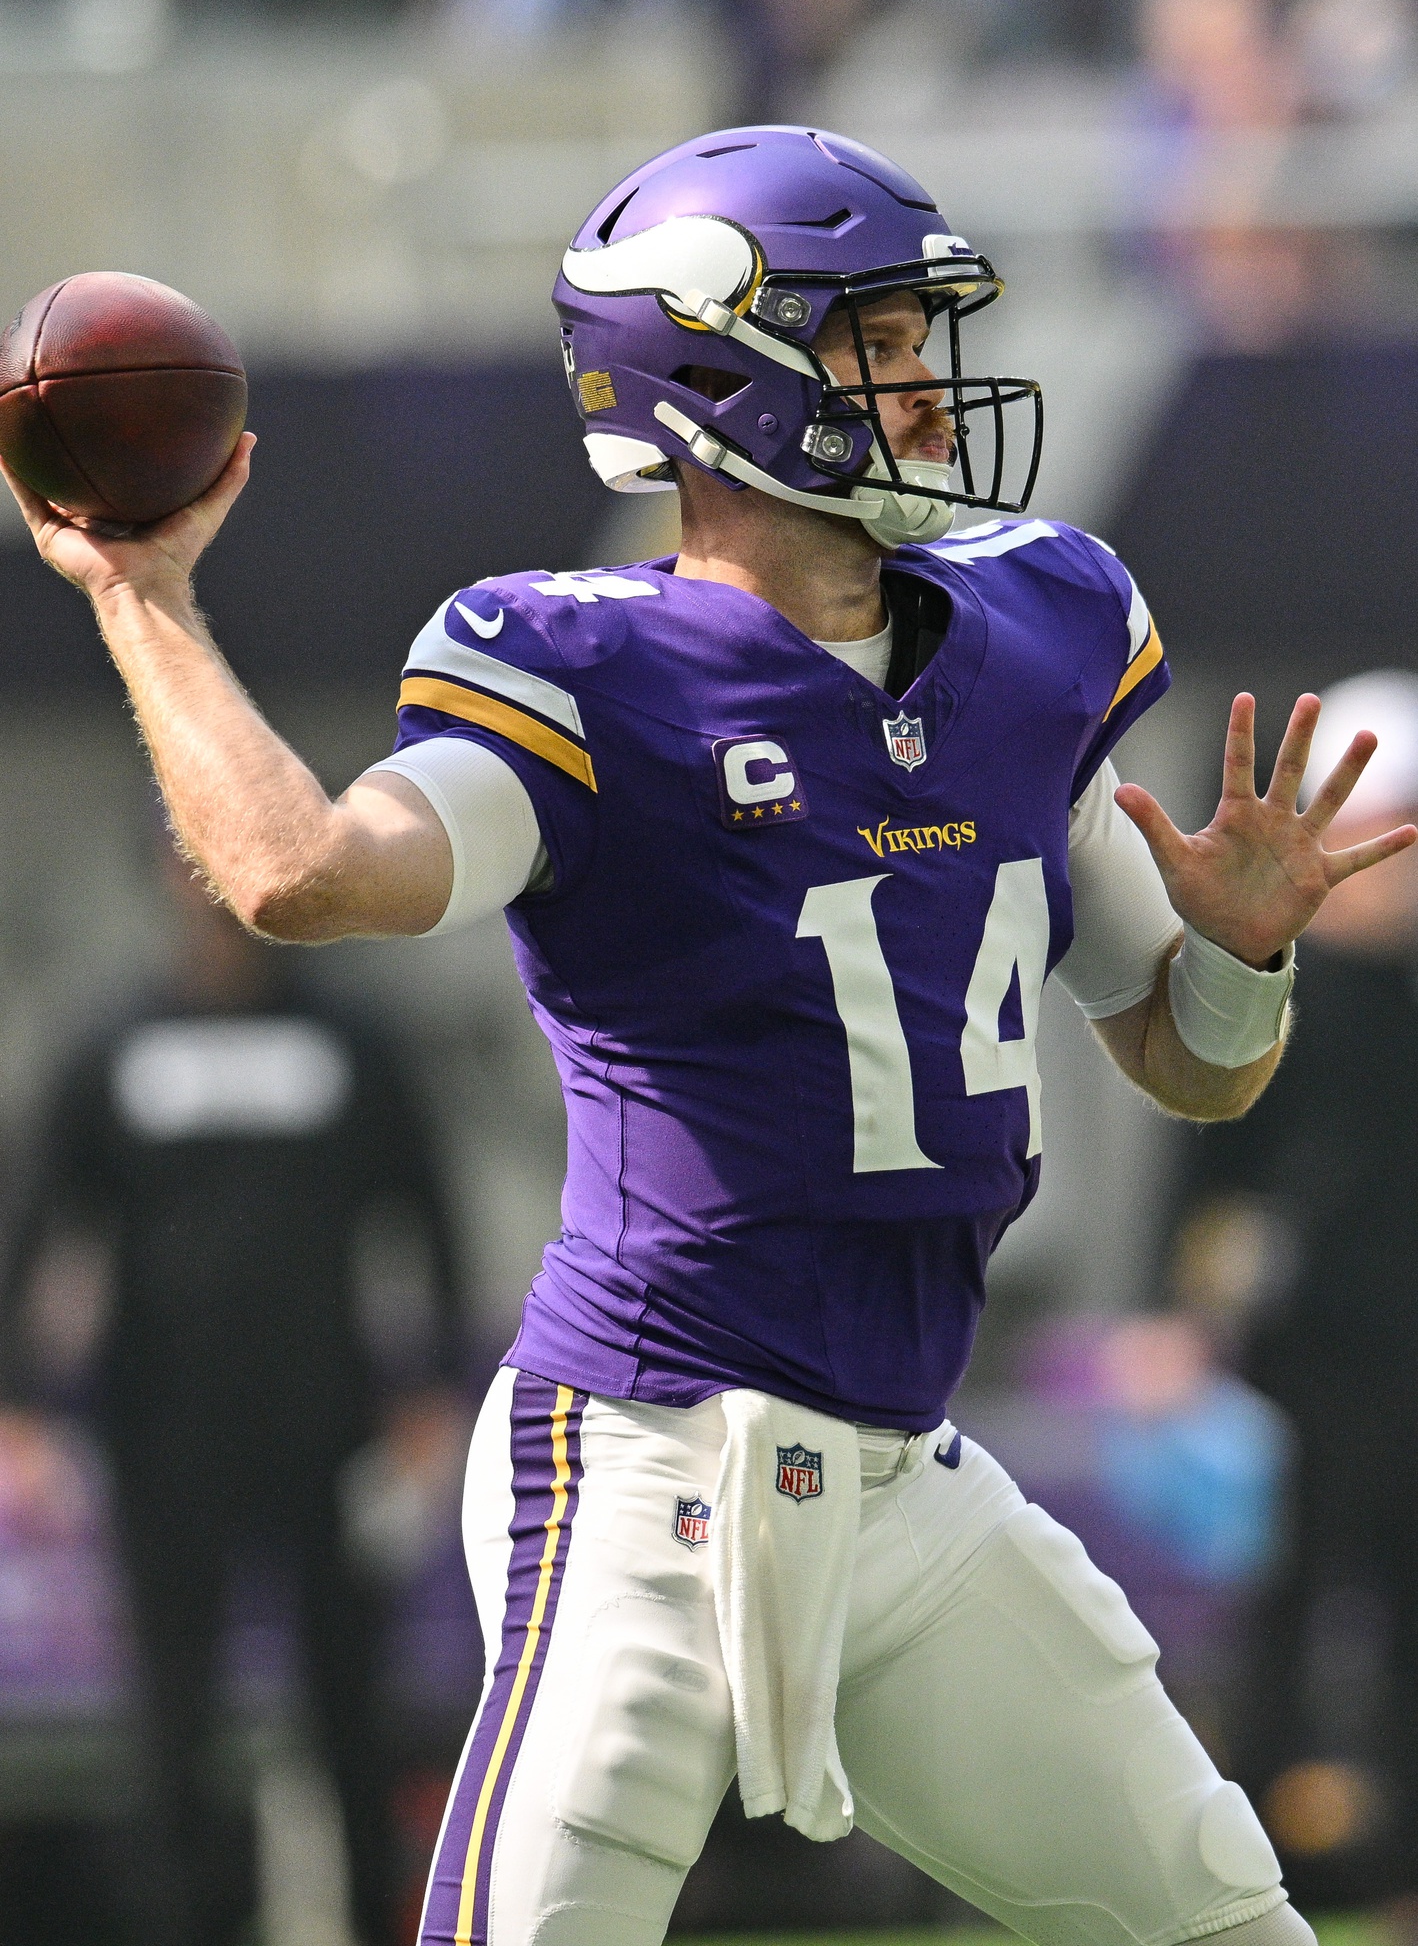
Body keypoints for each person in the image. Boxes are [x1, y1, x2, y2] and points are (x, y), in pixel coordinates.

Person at [9, 124, 1413, 1946]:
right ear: (714, 373)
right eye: (876, 344)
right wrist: (145, 593)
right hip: (645, 1467)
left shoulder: (1034, 632)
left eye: (921, 342)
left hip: (910, 1480)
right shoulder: (591, 672)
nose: (924, 388)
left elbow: (1190, 1058)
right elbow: (297, 873)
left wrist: (1236, 959)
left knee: (1229, 1924)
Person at [0, 850, 468, 1946]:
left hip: (329, 1433)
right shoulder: (113, 1043)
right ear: (165, 877)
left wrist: (430, 1387)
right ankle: (185, 1923)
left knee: (350, 1714)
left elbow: (427, 1212)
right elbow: (35, 1223)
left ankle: (364, 1918)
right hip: (161, 1438)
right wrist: (16, 1403)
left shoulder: (352, 1041)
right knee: (171, 1724)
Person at [1168, 671, 1418, 1894]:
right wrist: (1181, 1312)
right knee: (1286, 1595)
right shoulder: (1280, 984)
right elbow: (1207, 1148)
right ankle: (1251, 1863)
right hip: (1309, 1353)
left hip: (1380, 1341)